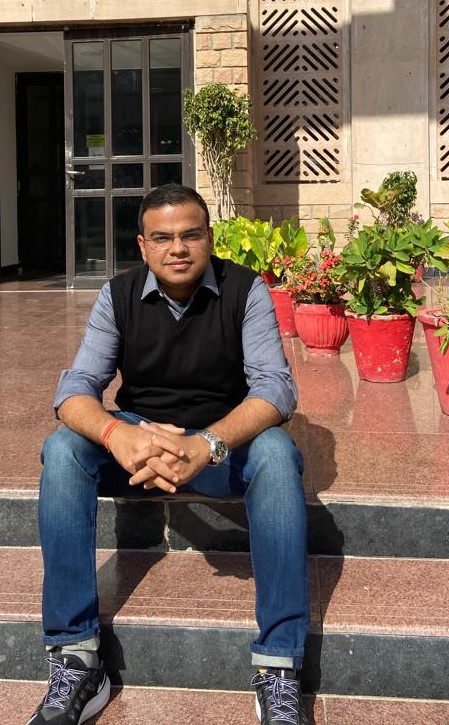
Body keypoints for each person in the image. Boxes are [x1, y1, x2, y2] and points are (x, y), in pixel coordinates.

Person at [27, 184, 309, 725]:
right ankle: (77, 657)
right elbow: (74, 390)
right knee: (63, 449)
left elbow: (275, 389)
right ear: (142, 245)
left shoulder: (245, 290)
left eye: (190, 235)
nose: (177, 248)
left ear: (209, 238)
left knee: (276, 454)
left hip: (222, 444)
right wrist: (119, 436)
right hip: (140, 441)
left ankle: (278, 666)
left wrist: (204, 445)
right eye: (162, 238)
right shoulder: (119, 294)